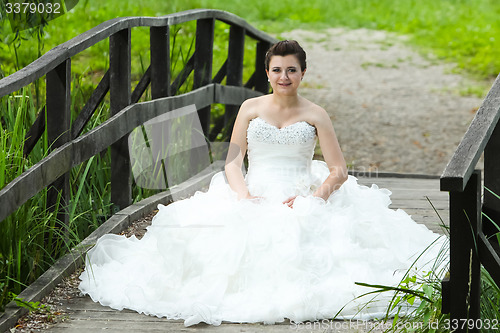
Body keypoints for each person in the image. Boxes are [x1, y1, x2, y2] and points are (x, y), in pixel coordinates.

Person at [79, 40, 447, 327]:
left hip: (301, 192)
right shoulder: (251, 109)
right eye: (277, 70)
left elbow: (338, 170)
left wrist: (313, 199)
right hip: (253, 188)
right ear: (267, 73)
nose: (284, 77)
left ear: (303, 73)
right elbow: (233, 162)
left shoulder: (316, 114)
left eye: (291, 70)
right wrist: (244, 196)